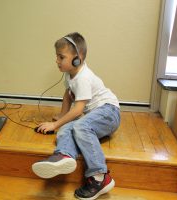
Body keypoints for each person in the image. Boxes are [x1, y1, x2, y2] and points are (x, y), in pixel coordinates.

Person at [32, 32, 121, 200]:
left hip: (109, 112)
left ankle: (100, 177)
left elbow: (78, 109)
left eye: (61, 57)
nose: (57, 61)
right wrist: (62, 117)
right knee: (66, 128)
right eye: (56, 56)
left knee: (79, 125)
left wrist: (54, 125)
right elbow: (68, 94)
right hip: (95, 116)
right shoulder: (69, 74)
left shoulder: (83, 77)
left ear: (77, 58)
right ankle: (64, 155)